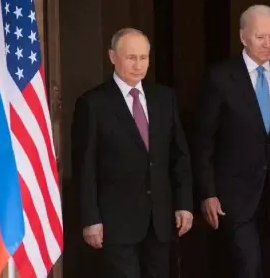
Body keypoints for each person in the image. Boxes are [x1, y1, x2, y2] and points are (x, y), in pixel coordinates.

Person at [192, 5, 270, 278]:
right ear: (243, 36)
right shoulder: (220, 77)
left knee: (269, 265)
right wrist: (208, 192)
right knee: (248, 265)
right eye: (260, 37)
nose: (268, 44)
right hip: (233, 196)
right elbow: (204, 140)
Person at [71, 27, 193, 278]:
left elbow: (179, 156)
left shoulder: (164, 98)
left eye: (143, 58)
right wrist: (90, 218)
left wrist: (184, 204)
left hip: (160, 220)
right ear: (113, 56)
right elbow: (85, 166)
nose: (138, 65)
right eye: (131, 58)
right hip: (116, 222)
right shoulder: (93, 104)